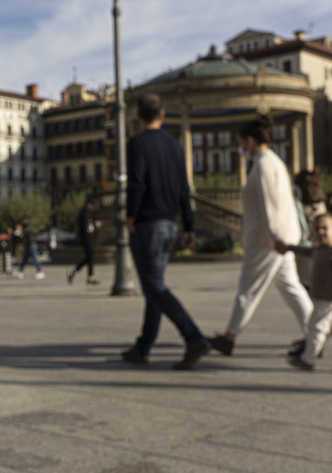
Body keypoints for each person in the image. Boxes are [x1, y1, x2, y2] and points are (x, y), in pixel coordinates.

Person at [208, 114, 313, 356]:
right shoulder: (274, 161)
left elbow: (270, 204)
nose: (239, 147)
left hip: (268, 241)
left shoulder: (264, 164)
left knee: (248, 289)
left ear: (250, 141)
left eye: (240, 142)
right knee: (291, 287)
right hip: (280, 239)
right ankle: (315, 334)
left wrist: (276, 236)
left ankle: (229, 336)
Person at [120, 93, 210, 370]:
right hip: (170, 223)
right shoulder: (174, 146)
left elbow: (136, 183)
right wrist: (189, 225)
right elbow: (185, 189)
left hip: (148, 224)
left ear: (138, 117)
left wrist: (131, 215)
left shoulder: (137, 144)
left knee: (155, 286)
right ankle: (143, 346)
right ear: (163, 115)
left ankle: (193, 338)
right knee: (153, 285)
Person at [278, 213, 332, 371]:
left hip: (327, 300)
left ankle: (308, 359)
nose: (321, 232)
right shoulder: (318, 250)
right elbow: (304, 251)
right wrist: (288, 247)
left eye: (325, 228)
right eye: (317, 229)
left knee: (315, 328)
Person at [67, 198, 102, 285]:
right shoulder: (84, 213)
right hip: (86, 238)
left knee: (89, 257)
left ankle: (75, 271)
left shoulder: (88, 213)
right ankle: (89, 277)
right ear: (90, 204)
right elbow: (86, 227)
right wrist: (94, 224)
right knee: (91, 256)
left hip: (88, 238)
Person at [14, 216, 45, 280]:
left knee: (35, 258)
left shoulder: (29, 226)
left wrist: (20, 232)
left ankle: (40, 271)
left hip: (32, 244)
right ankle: (20, 271)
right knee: (25, 259)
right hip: (27, 245)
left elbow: (26, 232)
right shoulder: (24, 227)